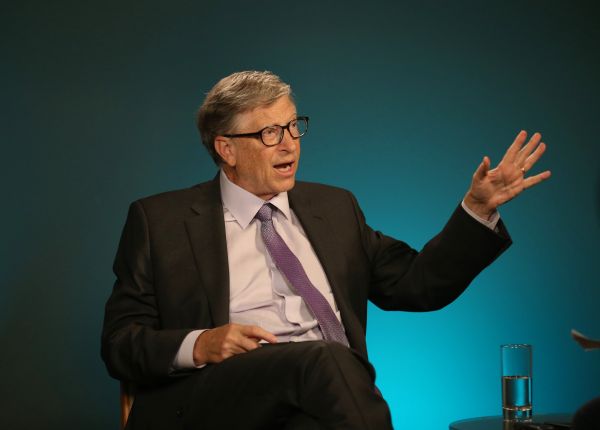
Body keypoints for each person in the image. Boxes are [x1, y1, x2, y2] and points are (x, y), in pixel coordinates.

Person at [101, 70, 551, 430]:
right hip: (217, 400)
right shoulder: (161, 221)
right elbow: (120, 344)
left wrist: (476, 209)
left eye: (293, 126)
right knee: (325, 357)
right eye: (270, 133)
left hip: (325, 399)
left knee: (322, 404)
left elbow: (417, 284)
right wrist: (203, 343)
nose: (290, 143)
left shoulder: (334, 208)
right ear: (227, 149)